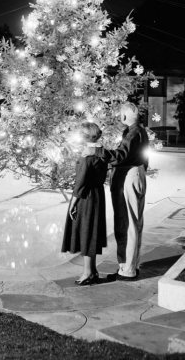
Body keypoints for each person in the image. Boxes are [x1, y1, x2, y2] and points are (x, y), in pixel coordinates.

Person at [82, 102, 149, 281]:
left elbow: (120, 155)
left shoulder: (134, 133)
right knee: (131, 222)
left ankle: (127, 270)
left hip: (129, 174)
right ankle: (128, 266)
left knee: (127, 223)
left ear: (125, 116)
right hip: (135, 173)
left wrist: (96, 150)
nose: (119, 117)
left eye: (120, 114)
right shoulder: (138, 131)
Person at [61, 122, 108, 285]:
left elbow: (80, 183)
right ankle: (93, 270)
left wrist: (72, 203)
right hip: (97, 195)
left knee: (86, 233)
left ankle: (88, 272)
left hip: (86, 197)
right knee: (92, 232)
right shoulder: (101, 153)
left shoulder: (87, 155)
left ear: (84, 136)